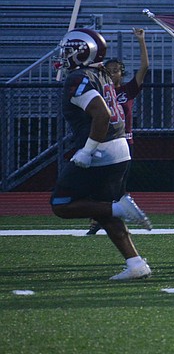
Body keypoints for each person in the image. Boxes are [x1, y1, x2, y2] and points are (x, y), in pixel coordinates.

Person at [50, 28, 153, 280]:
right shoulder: (101, 74)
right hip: (118, 148)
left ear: (82, 52)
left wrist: (87, 150)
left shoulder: (79, 77)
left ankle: (120, 207)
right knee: (102, 209)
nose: (65, 55)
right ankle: (136, 264)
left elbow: (102, 114)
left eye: (69, 50)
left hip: (100, 151)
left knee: (61, 204)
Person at [87, 27, 149, 236]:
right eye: (109, 70)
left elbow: (144, 67)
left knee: (117, 184)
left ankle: (107, 219)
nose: (112, 73)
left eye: (116, 70)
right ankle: (102, 217)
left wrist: (141, 40)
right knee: (99, 182)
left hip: (123, 142)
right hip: (101, 141)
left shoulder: (127, 90)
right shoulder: (99, 91)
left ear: (122, 73)